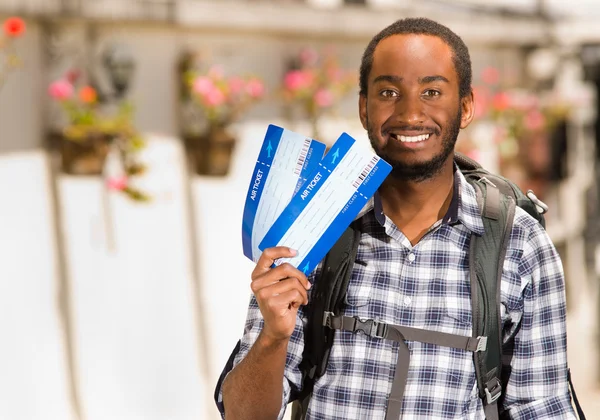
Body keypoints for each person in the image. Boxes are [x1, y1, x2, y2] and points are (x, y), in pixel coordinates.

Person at [215, 17, 577, 419]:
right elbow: (242, 414)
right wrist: (271, 338)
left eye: (432, 91)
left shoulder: (519, 243)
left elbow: (543, 408)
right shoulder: (310, 230)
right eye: (389, 91)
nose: (410, 113)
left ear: (467, 106)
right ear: (363, 107)